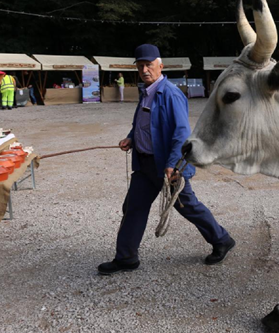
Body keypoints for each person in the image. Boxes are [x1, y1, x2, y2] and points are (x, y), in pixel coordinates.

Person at [98, 44, 235, 275]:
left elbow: (181, 133)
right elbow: (142, 125)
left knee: (187, 206)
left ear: (160, 65)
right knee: (134, 208)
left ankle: (222, 239)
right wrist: (131, 138)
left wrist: (172, 164)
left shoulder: (171, 94)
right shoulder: (146, 92)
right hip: (144, 165)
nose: (144, 69)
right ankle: (126, 258)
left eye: (149, 65)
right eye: (140, 65)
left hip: (166, 167)